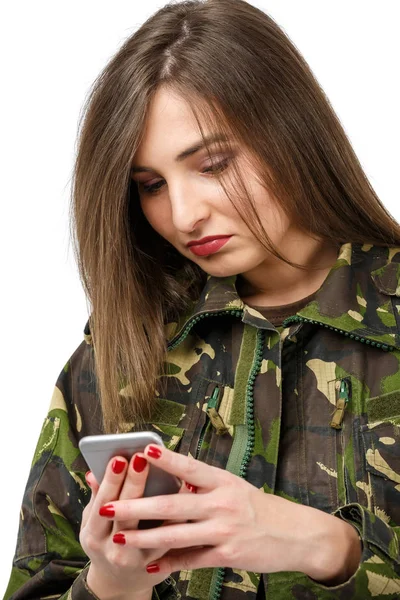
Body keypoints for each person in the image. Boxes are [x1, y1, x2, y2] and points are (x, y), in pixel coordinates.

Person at [4, 0, 400, 598]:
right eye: (152, 186)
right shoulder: (125, 345)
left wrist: (331, 551)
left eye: (213, 164)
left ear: (291, 131)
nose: (184, 216)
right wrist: (114, 582)